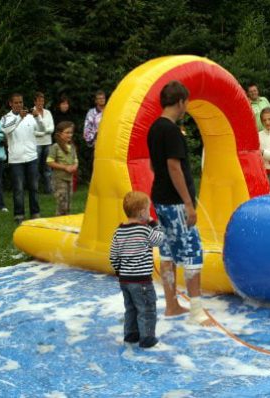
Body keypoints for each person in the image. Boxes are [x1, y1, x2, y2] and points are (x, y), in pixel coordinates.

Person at [147, 80, 214, 326]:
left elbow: (154, 165)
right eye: (186, 102)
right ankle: (196, 313)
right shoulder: (172, 130)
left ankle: (172, 304)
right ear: (180, 102)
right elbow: (173, 166)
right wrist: (188, 202)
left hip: (160, 198)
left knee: (167, 252)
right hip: (176, 202)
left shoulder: (154, 128)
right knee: (192, 251)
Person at [109, 191, 164, 348]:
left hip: (125, 280)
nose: (149, 213)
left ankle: (131, 335)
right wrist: (154, 224)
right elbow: (160, 240)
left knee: (131, 308)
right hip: (142, 280)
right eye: (148, 210)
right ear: (142, 213)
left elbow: (113, 255)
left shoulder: (118, 231)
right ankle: (147, 338)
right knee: (146, 308)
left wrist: (120, 271)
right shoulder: (144, 230)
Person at [1, 93, 46, 224]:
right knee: (18, 189)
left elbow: (43, 130)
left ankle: (35, 213)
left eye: (21, 102)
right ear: (10, 103)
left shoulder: (30, 117)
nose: (19, 105)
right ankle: (19, 215)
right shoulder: (5, 118)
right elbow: (5, 130)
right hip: (16, 160)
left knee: (34, 187)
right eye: (16, 102)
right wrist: (19, 118)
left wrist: (38, 118)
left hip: (31, 157)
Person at [47, 121, 78, 216]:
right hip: (59, 180)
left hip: (69, 179)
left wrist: (74, 166)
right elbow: (49, 161)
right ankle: (59, 221)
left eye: (71, 132)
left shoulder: (72, 146)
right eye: (67, 132)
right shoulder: (55, 147)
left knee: (68, 203)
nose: (70, 135)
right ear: (60, 134)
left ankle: (66, 221)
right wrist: (65, 167)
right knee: (62, 203)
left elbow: (76, 160)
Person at [33, 92, 55, 194]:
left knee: (48, 167)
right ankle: (35, 189)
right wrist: (43, 132)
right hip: (36, 143)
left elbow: (52, 128)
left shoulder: (48, 112)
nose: (41, 103)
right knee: (35, 168)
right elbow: (32, 131)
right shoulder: (31, 113)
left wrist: (43, 131)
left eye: (42, 100)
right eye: (39, 101)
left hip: (47, 143)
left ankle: (48, 189)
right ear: (35, 101)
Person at [83, 90, 107, 184]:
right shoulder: (91, 113)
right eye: (99, 98)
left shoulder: (109, 109)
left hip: (109, 141)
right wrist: (92, 140)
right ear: (96, 101)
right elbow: (87, 128)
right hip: (96, 142)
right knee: (97, 163)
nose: (101, 100)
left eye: (103, 98)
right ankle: (96, 182)